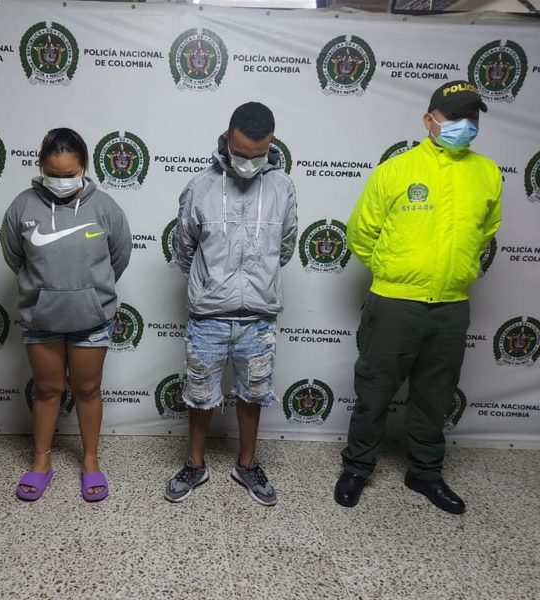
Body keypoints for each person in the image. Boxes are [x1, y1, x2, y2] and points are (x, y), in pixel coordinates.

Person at [334, 81, 502, 514]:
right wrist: (395, 271)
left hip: (451, 305)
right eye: (454, 117)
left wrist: (453, 272)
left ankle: (425, 473)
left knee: (435, 394)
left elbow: (485, 232)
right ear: (429, 120)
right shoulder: (396, 170)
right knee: (375, 390)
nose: (465, 125)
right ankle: (357, 467)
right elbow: (361, 233)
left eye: (472, 117)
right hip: (395, 302)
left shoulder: (487, 173)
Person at [165, 102, 298, 505]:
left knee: (254, 394)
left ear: (271, 144)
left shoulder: (283, 187)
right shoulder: (201, 186)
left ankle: (246, 464)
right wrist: (210, 284)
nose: (248, 162)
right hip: (209, 314)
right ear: (226, 139)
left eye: (258, 155)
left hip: (258, 316)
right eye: (240, 153)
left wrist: (257, 281)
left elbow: (286, 246)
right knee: (199, 394)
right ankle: (195, 464)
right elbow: (184, 248)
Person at [1, 128, 131, 502]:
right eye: (53, 174)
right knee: (46, 390)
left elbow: (119, 257)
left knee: (87, 390)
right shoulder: (22, 207)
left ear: (84, 167)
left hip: (92, 319)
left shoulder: (105, 207)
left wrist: (89, 294)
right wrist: (45, 293)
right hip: (41, 319)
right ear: (40, 167)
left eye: (70, 174)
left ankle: (90, 461)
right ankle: (41, 461)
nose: (61, 182)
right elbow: (14, 257)